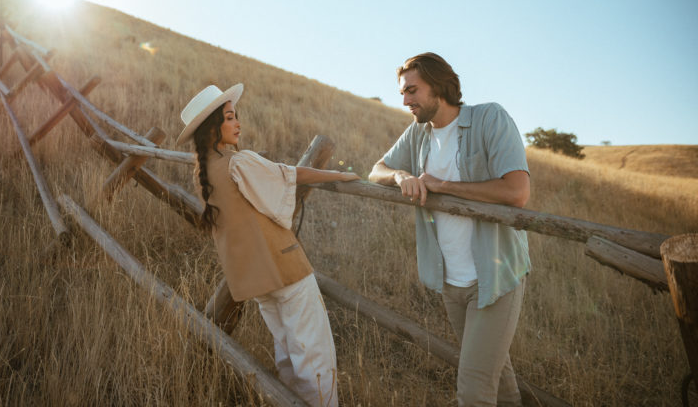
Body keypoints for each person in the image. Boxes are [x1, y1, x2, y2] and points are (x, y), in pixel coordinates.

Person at [176, 83, 358, 407]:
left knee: (288, 358)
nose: (238, 123)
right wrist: (337, 176)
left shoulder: (203, 174)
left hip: (257, 283)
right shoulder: (238, 162)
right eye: (230, 117)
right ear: (212, 128)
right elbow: (288, 175)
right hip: (286, 270)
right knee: (315, 362)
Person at [368, 52, 531, 406]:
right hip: (450, 283)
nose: (405, 100)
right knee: (497, 381)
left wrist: (444, 185)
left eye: (412, 91)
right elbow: (376, 169)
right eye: (402, 93)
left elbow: (517, 193)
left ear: (439, 86)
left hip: (495, 277)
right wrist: (401, 175)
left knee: (472, 390)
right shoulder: (418, 134)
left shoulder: (490, 118)